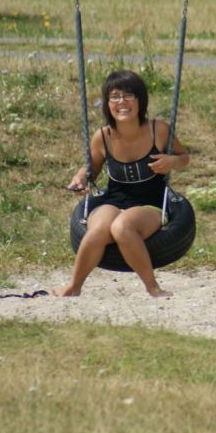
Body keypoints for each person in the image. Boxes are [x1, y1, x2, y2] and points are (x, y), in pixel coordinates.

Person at [53, 71, 190, 299]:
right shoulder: (103, 136)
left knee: (121, 227)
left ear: (140, 100)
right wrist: (79, 179)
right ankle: (74, 286)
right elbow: (90, 169)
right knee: (99, 228)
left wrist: (171, 161)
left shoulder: (158, 130)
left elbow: (184, 158)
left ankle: (153, 288)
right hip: (113, 200)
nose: (122, 102)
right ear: (107, 104)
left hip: (151, 204)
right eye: (115, 97)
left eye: (128, 96)